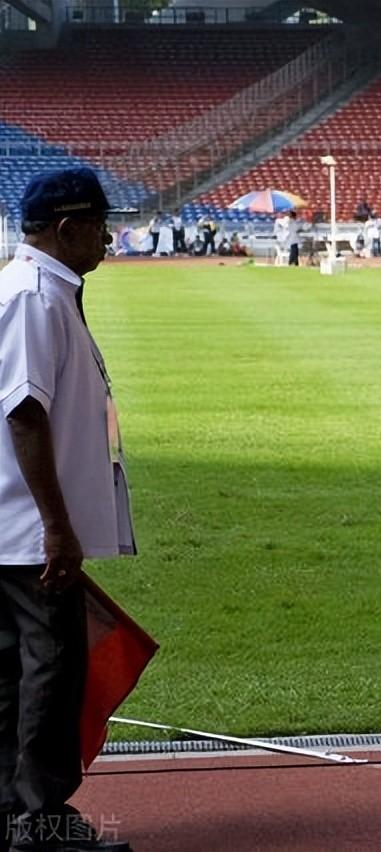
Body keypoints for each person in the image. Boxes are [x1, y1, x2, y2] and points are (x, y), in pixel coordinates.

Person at [0, 167, 136, 851]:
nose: (108, 238)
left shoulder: (39, 289)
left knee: (18, 675)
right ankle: (41, 826)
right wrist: (57, 528)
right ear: (67, 228)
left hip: (20, 531)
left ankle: (16, 818)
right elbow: (24, 414)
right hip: (29, 536)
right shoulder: (33, 296)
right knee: (50, 673)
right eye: (99, 225)